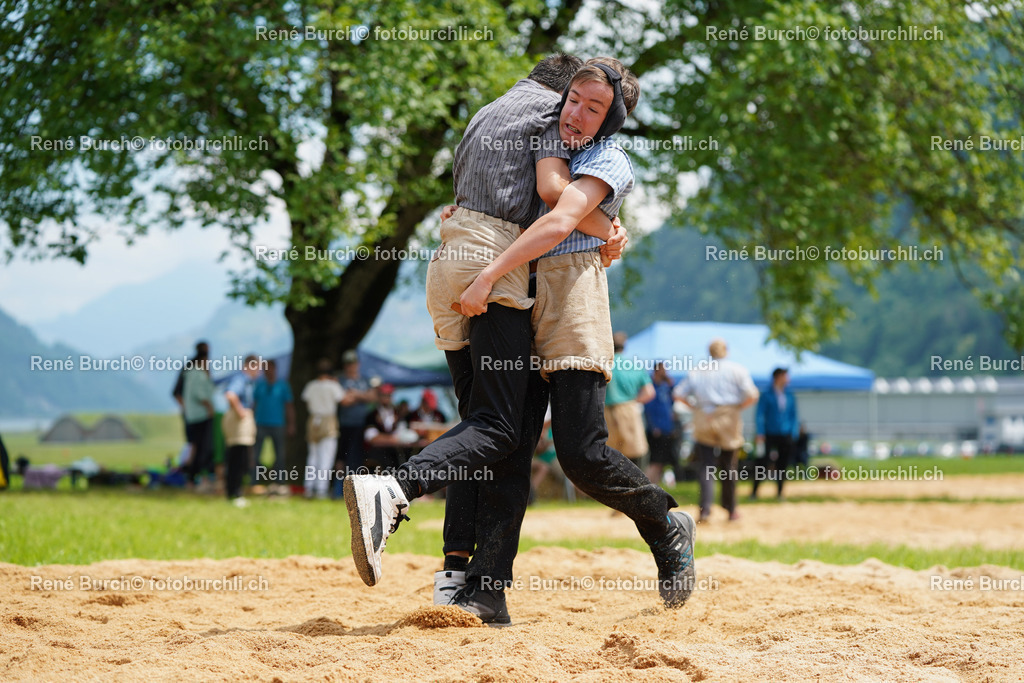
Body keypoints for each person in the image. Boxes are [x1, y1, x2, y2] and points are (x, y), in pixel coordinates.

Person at [345, 57, 694, 625]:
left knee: (580, 453)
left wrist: (604, 230)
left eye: (594, 107)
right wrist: (471, 222)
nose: (575, 113)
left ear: (612, 119)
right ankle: (487, 590)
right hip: (524, 287)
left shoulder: (606, 158)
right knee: (507, 444)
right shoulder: (549, 134)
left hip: (572, 295)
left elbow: (558, 208)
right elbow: (521, 190)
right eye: (574, 99)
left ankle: (664, 522)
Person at [674, 338, 759, 523]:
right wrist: (737, 408)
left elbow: (678, 394)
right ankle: (731, 509)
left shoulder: (697, 370)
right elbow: (752, 395)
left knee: (706, 465)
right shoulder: (737, 369)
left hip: (704, 416)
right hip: (728, 417)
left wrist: (695, 408)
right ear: (726, 350)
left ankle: (705, 510)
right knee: (729, 465)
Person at [604, 331, 655, 464]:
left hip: (606, 412)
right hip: (629, 410)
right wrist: (634, 401)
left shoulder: (604, 365)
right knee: (636, 454)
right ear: (624, 346)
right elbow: (649, 392)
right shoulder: (633, 365)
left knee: (610, 456)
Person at [301, 359, 346, 500]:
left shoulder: (311, 385)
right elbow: (344, 400)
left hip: (314, 420)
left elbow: (307, 401)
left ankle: (309, 488)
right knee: (326, 456)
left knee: (313, 456)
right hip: (327, 420)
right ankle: (321, 489)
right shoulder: (333, 385)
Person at [753, 367, 799, 500]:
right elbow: (759, 414)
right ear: (778, 377)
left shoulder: (790, 395)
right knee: (762, 462)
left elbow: (794, 415)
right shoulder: (766, 394)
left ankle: (780, 492)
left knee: (783, 464)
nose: (788, 379)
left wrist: (793, 432)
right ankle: (754, 491)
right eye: (786, 376)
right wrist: (760, 432)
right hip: (769, 433)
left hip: (785, 433)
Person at [222, 355, 262, 506]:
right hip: (239, 420)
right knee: (238, 458)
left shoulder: (246, 380)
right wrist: (240, 411)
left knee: (239, 456)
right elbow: (230, 395)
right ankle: (235, 492)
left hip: (241, 418)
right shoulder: (241, 379)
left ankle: (235, 491)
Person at [251, 359, 295, 494]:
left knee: (280, 455)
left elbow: (289, 406)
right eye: (266, 369)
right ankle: (255, 482)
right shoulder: (259, 385)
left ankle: (279, 482)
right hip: (260, 424)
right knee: (256, 455)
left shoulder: (283, 386)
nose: (268, 371)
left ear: (275, 369)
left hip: (278, 424)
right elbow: (254, 405)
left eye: (270, 368)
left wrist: (291, 424)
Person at [335, 350, 376, 493]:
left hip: (361, 424)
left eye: (353, 363)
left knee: (358, 457)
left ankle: (357, 488)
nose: (351, 366)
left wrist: (356, 394)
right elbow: (343, 400)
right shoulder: (340, 379)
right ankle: (339, 488)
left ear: (357, 364)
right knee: (341, 457)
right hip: (344, 424)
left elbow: (372, 397)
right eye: (348, 364)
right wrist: (362, 397)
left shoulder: (364, 380)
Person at [181, 344, 215, 489]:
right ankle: (197, 477)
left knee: (195, 448)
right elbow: (200, 394)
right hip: (201, 415)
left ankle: (192, 477)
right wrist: (209, 407)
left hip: (191, 415)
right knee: (202, 449)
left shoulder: (188, 371)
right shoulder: (198, 373)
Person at [644, 362, 679, 485]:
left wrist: (671, 385)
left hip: (666, 428)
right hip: (656, 430)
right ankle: (647, 485)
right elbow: (648, 409)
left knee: (661, 462)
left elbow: (672, 402)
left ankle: (654, 487)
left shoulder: (665, 387)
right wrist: (653, 426)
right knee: (655, 461)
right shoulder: (650, 387)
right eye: (663, 370)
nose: (665, 372)